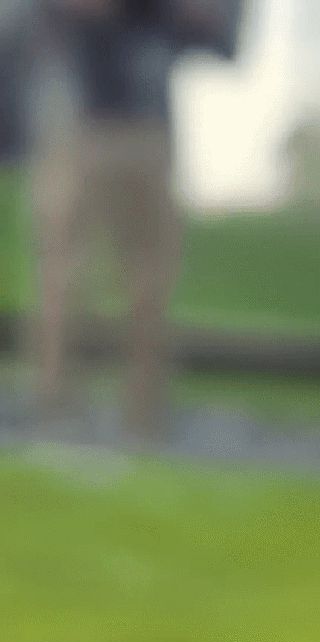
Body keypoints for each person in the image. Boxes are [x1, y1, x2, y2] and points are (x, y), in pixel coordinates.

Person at [8, 0, 240, 441]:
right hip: (83, 126)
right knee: (63, 276)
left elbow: (215, 37)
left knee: (147, 282)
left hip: (143, 131)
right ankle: (53, 405)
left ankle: (141, 414)